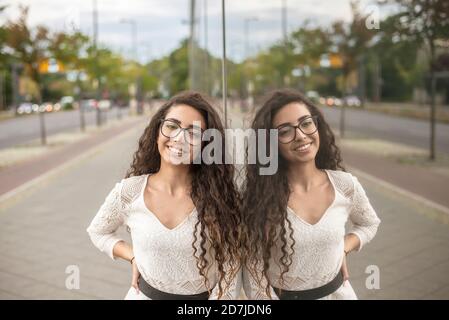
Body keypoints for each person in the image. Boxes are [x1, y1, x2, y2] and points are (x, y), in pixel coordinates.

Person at [87, 91, 242, 299]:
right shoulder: (130, 191)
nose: (179, 138)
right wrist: (133, 256)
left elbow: (232, 268)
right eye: (172, 126)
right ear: (158, 131)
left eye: (194, 133)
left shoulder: (221, 198)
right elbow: (98, 232)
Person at [242, 89, 381, 300]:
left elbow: (369, 223)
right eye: (285, 131)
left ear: (317, 126)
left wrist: (343, 247)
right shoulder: (259, 196)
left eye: (306, 123)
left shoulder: (344, 185)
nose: (300, 135)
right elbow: (252, 268)